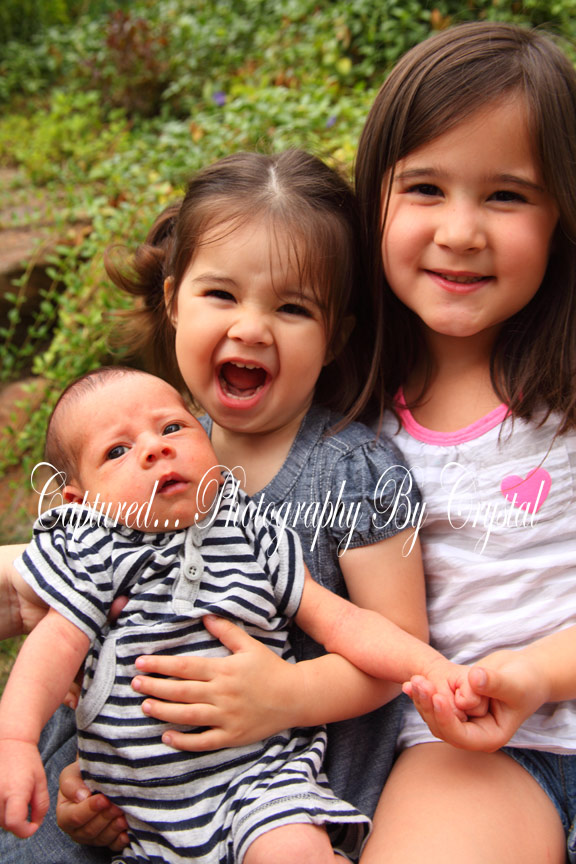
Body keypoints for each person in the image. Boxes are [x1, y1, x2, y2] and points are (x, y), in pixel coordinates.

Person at [0, 150, 433, 861]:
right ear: (174, 301)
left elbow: (400, 644)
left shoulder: (350, 473)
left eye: (292, 308)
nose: (252, 329)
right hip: (140, 795)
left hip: (278, 788)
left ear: (335, 337)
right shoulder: (130, 466)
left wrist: (287, 693)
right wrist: (88, 784)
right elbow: (72, 642)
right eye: (221, 295)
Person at [0, 365, 453, 863]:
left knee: (291, 851)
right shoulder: (92, 550)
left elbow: (343, 623)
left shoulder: (253, 531)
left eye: (172, 427)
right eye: (117, 451)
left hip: (260, 778)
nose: (155, 448)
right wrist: (16, 738)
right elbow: (52, 645)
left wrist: (431, 667)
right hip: (141, 816)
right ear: (79, 502)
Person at [349, 20, 576, 864]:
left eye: (507, 196)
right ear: (374, 199)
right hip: (469, 749)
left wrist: (539, 673)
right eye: (426, 188)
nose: (461, 231)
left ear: (562, 215)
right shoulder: (347, 411)